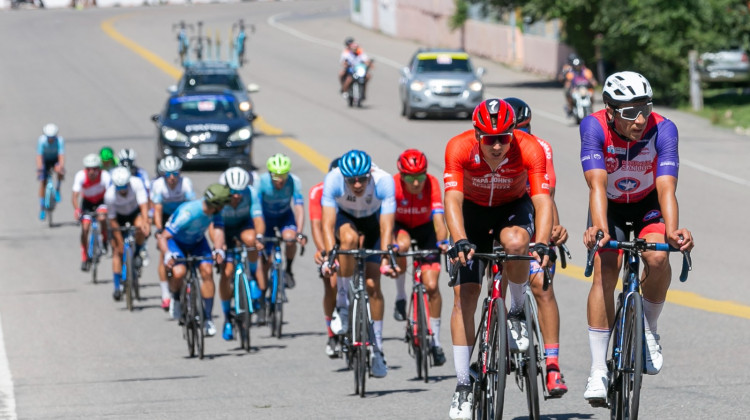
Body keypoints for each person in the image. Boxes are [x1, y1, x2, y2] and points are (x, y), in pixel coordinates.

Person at [580, 71, 694, 405]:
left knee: (658, 257)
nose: (641, 118)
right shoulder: (594, 126)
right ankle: (598, 369)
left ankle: (649, 329)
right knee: (606, 267)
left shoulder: (664, 128)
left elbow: (666, 187)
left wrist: (673, 231)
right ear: (610, 110)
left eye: (645, 107)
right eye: (630, 112)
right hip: (610, 207)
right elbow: (597, 185)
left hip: (648, 204)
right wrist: (599, 228)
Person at [443, 99, 554, 420]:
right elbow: (452, 198)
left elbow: (542, 201)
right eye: (489, 138)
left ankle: (516, 311)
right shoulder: (458, 147)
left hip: (511, 209)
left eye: (503, 138)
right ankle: (464, 384)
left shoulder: (529, 148)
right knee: (466, 295)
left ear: (512, 134)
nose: (496, 146)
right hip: (472, 214)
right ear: (476, 134)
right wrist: (460, 239)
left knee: (518, 243)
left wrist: (543, 243)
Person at [505, 97, 569, 396]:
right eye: (516, 129)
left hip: (532, 213)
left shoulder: (540, 148)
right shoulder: (493, 147)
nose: (522, 134)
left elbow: (547, 193)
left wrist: (553, 229)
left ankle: (553, 366)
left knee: (542, 285)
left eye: (526, 127)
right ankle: (491, 344)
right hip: (499, 216)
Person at [320, 149, 398, 378]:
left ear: (370, 174)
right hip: (346, 219)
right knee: (348, 240)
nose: (356, 185)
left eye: (362, 179)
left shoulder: (383, 181)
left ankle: (378, 349)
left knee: (373, 285)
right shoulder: (333, 178)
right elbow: (327, 224)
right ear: (343, 176)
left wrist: (385, 256)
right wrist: (328, 255)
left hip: (373, 223)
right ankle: (342, 306)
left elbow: (386, 226)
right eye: (351, 180)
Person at [392, 149, 449, 366]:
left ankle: (435, 340)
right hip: (402, 227)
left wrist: (442, 241)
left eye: (420, 177)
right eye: (409, 178)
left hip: (426, 229)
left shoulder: (432, 183)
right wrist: (391, 246)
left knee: (432, 285)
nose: (415, 183)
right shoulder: (393, 185)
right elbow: (386, 221)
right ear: (401, 175)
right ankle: (400, 297)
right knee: (402, 246)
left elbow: (438, 219)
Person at [159, 184, 232, 337]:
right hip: (176, 242)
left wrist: (218, 249)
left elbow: (218, 230)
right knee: (179, 272)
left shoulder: (215, 211)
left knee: (207, 271)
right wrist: (167, 255)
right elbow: (163, 237)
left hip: (198, 242)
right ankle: (176, 298)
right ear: (217, 205)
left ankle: (207, 318)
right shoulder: (188, 213)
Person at [216, 167, 266, 340]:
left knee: (251, 240)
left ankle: (251, 276)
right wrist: (218, 246)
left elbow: (258, 219)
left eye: (240, 192)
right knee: (227, 273)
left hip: (243, 225)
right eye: (233, 192)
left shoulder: (251, 193)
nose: (237, 196)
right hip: (224, 230)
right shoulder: (220, 196)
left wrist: (259, 237)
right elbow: (212, 225)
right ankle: (227, 318)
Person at [256, 154, 307, 288]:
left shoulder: (294, 181)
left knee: (290, 239)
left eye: (283, 175)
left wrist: (300, 232)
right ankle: (262, 294)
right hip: (265, 219)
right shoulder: (261, 182)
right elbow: (256, 210)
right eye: (276, 176)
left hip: (284, 216)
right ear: (269, 174)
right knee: (266, 261)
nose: (280, 180)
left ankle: (288, 270)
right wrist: (258, 235)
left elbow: (299, 208)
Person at [151, 156, 196, 310]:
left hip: (182, 217)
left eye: (175, 174)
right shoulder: (158, 185)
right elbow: (157, 210)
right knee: (164, 254)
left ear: (180, 173)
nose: (171, 178)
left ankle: (188, 279)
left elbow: (191, 207)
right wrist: (159, 230)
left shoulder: (186, 184)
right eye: (168, 174)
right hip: (165, 218)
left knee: (188, 247)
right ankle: (165, 294)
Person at [309, 157, 341, 357]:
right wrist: (323, 251)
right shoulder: (318, 191)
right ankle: (331, 332)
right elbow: (316, 225)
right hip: (328, 239)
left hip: (346, 236)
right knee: (332, 283)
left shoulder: (352, 190)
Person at [105, 167, 150, 301]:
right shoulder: (110, 195)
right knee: (117, 252)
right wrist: (119, 241)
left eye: (124, 186)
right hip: (118, 218)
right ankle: (117, 286)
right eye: (119, 188)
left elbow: (143, 206)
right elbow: (112, 220)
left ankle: (138, 251)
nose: (123, 190)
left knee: (141, 226)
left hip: (133, 213)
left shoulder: (136, 183)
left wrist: (146, 222)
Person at [72, 154, 111, 271]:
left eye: (95, 168)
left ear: (99, 169)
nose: (92, 172)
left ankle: (104, 240)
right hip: (87, 203)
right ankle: (84, 257)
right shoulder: (80, 176)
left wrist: (110, 209)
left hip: (101, 201)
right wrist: (77, 209)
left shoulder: (105, 176)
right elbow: (74, 196)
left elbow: (110, 193)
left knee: (102, 218)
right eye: (89, 169)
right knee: (85, 228)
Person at [36, 123, 65, 220]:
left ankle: (58, 189)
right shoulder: (42, 140)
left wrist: (60, 167)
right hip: (46, 160)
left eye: (52, 137)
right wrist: (40, 169)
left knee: (59, 171)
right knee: (43, 182)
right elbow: (39, 156)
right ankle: (42, 207)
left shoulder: (59, 141)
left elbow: (61, 155)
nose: (50, 139)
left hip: (54, 159)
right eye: (49, 137)